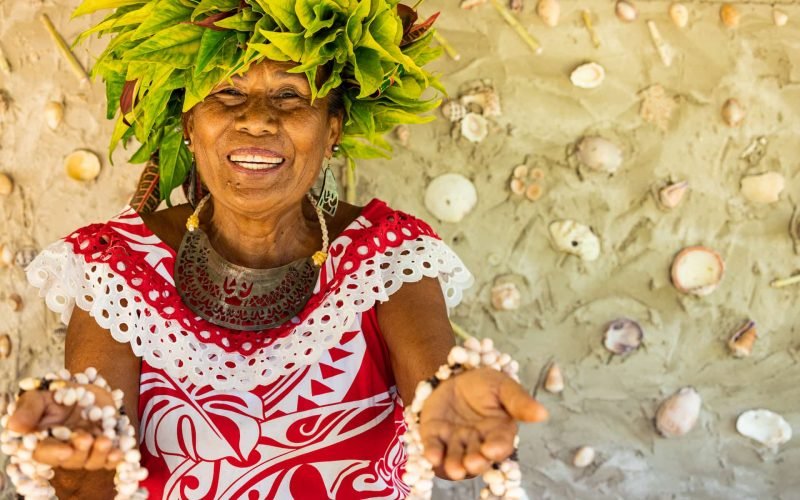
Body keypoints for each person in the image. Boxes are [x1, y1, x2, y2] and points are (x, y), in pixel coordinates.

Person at [4, 1, 548, 498]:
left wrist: (462, 416)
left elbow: (440, 393)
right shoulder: (116, 265)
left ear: (332, 127)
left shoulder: (387, 255)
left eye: (290, 95)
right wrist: (78, 453)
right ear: (191, 127)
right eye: (227, 93)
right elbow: (89, 482)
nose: (257, 118)